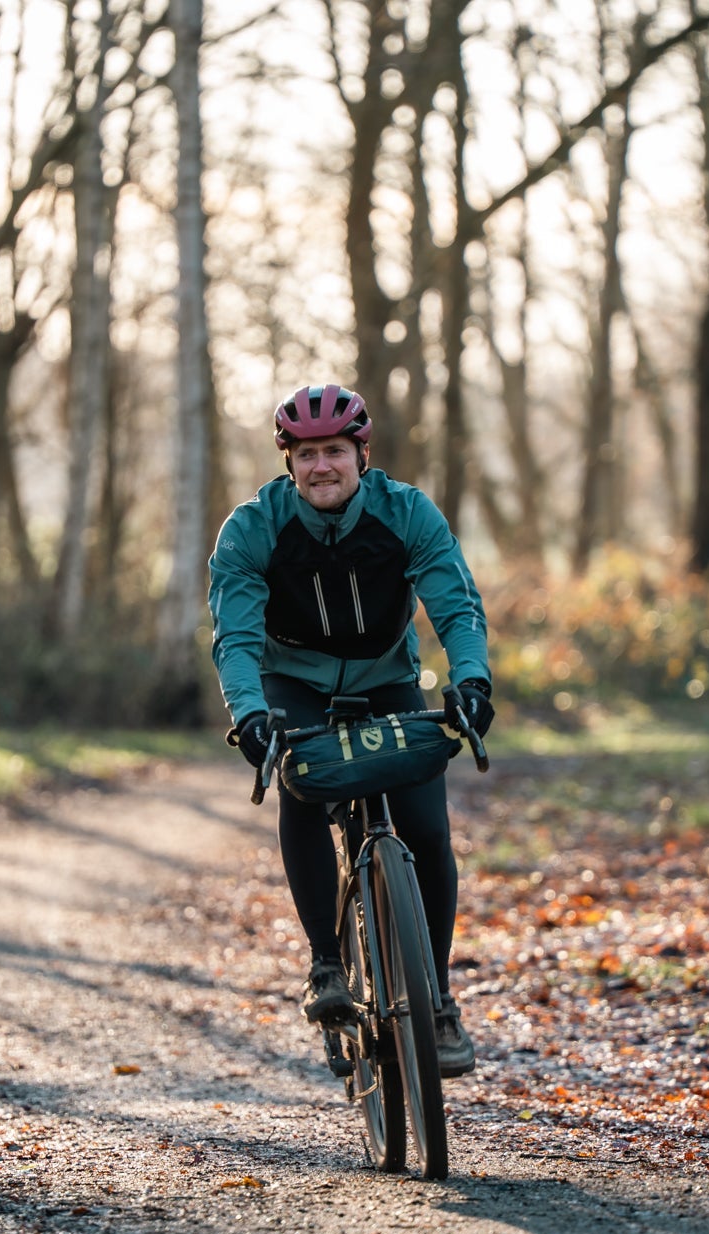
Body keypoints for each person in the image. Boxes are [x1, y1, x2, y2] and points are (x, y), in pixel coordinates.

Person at [207, 383, 495, 1077]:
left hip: (387, 676)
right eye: (306, 454)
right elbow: (236, 636)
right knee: (301, 786)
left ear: (361, 454)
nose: (321, 467)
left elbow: (454, 602)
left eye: (335, 450)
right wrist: (247, 711)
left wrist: (474, 679)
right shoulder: (253, 527)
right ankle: (327, 966)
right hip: (292, 682)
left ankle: (439, 999)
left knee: (426, 828)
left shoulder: (406, 513)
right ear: (289, 461)